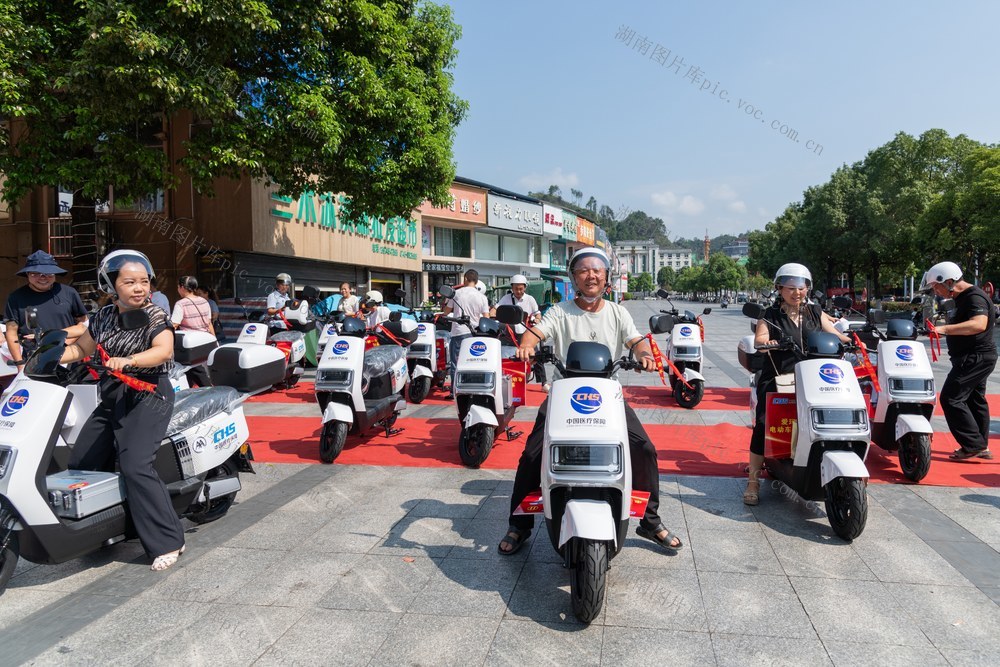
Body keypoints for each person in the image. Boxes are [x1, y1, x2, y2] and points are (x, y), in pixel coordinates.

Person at [497, 247, 683, 555]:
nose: (591, 275)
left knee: (644, 449)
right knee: (532, 453)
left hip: (607, 395)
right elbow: (536, 333)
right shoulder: (560, 310)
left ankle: (649, 520)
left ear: (607, 277)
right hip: (564, 393)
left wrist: (645, 356)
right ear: (574, 277)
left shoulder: (617, 312)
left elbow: (635, 341)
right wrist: (527, 346)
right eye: (583, 270)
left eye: (597, 270)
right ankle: (519, 524)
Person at [59, 249, 185, 571]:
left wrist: (129, 360)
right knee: (82, 459)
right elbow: (82, 348)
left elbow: (163, 350)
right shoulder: (101, 317)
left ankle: (169, 540)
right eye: (129, 282)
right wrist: (53, 357)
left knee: (135, 465)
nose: (139, 288)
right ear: (111, 285)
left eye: (143, 281)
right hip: (114, 396)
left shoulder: (156, 315)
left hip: (148, 395)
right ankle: (108, 527)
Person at [744, 263, 851, 505]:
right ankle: (753, 480)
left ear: (807, 289)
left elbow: (834, 332)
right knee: (764, 423)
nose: (796, 293)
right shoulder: (769, 316)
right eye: (790, 288)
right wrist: (768, 343)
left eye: (801, 288)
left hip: (815, 376)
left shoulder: (815, 311)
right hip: (779, 376)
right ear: (779, 288)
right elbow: (760, 338)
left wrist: (854, 339)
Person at [920, 261, 996, 460]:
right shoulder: (964, 298)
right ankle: (980, 445)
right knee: (974, 400)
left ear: (949, 281)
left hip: (975, 357)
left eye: (937, 286)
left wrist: (944, 329)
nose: (936, 291)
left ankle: (973, 445)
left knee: (951, 398)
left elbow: (979, 324)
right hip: (976, 356)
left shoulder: (974, 297)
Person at [3, 250, 88, 367]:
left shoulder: (69, 293)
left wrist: (65, 341)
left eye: (49, 273)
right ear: (27, 274)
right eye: (35, 273)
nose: (43, 277)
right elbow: (11, 332)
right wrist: (20, 363)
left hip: (70, 357)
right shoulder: (15, 298)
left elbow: (84, 325)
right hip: (33, 360)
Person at [492, 274, 548, 391]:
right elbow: (493, 311)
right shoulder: (506, 298)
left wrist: (536, 319)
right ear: (512, 288)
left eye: (521, 288)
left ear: (525, 287)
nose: (518, 291)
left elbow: (538, 314)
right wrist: (495, 315)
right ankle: (503, 381)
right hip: (510, 333)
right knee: (504, 356)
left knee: (536, 355)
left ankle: (543, 383)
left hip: (526, 333)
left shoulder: (530, 299)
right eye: (516, 288)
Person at [442, 269, 490, 397]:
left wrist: (443, 313)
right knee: (472, 361)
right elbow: (486, 317)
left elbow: (446, 311)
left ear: (465, 279)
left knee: (455, 363)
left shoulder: (456, 294)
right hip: (475, 333)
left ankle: (454, 391)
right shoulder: (482, 297)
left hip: (459, 332)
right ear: (476, 280)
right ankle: (470, 388)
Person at [170, 276, 215, 387]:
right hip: (206, 341)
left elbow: (174, 325)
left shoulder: (181, 304)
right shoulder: (204, 301)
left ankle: (210, 394)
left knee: (195, 370)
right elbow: (209, 323)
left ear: (182, 287)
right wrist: (214, 340)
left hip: (191, 346)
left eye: (178, 287)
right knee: (191, 371)